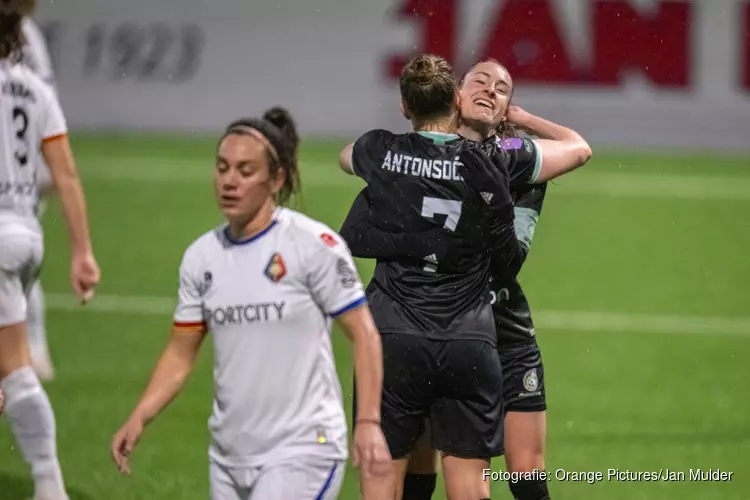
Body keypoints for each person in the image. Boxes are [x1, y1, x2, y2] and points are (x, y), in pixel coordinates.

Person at [340, 59, 592, 500]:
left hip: (499, 325)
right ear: (454, 93)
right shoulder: (452, 156)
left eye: (503, 90)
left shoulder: (517, 161)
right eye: (480, 80)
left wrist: (524, 120)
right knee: (426, 462)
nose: (492, 90)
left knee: (525, 474)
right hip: (456, 329)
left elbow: (511, 258)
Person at [111, 107, 392, 500]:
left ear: (276, 179)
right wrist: (139, 416)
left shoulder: (313, 246)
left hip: (304, 448)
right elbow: (180, 353)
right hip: (228, 457)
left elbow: (364, 334)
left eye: (245, 171)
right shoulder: (201, 257)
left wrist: (367, 421)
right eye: (223, 168)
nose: (229, 181)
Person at [0, 2, 101, 499]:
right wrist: (82, 252)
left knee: (14, 372)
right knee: (13, 362)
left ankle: (49, 484)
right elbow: (64, 173)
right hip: (25, 236)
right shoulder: (35, 87)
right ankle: (48, 482)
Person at [20, 0, 57, 381]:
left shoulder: (25, 37)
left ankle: (35, 349)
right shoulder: (28, 35)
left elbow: (44, 102)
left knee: (19, 264)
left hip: (19, 168)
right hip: (25, 164)